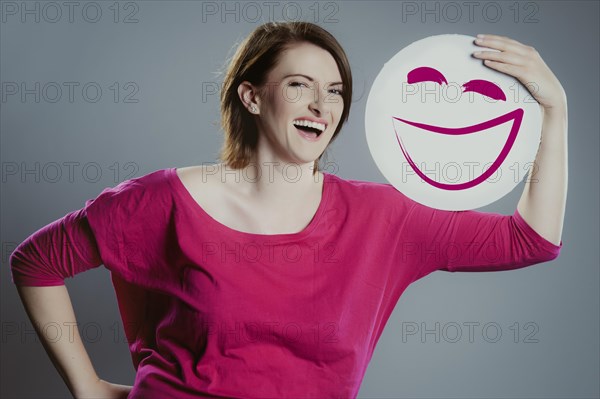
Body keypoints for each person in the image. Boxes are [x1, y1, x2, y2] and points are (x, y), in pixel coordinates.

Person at [9, 21, 566, 399]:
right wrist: (87, 387)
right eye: (299, 86)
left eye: (336, 91)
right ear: (252, 97)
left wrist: (555, 110)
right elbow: (35, 263)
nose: (322, 106)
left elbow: (531, 240)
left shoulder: (383, 219)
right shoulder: (161, 201)